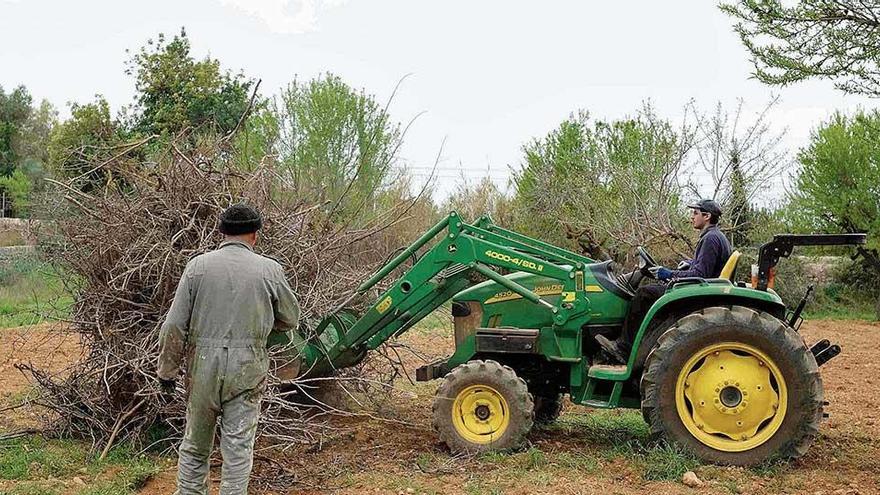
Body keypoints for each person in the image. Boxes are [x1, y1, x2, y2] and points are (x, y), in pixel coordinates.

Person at [157, 203, 300, 495]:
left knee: (196, 446)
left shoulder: (197, 267)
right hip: (248, 366)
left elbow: (174, 325)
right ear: (255, 235)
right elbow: (291, 318)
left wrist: (167, 371)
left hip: (203, 366)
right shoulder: (270, 270)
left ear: (221, 233)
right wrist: (260, 330)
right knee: (237, 451)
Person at [596, 199, 731, 364]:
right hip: (704, 287)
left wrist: (668, 274)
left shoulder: (710, 239)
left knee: (644, 294)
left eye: (695, 213)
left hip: (701, 289)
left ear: (707, 216)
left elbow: (701, 273)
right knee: (651, 291)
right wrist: (689, 263)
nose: (691, 217)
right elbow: (706, 267)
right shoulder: (715, 236)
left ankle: (624, 349)